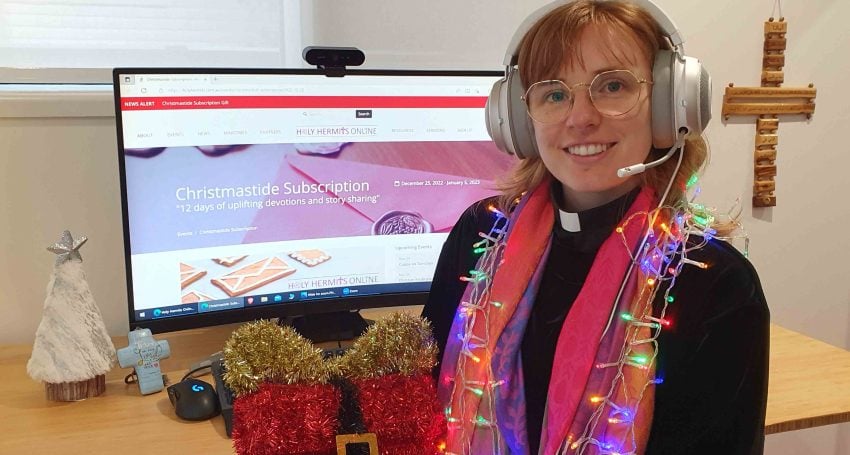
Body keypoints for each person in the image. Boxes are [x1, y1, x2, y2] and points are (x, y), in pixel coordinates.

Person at [421, 1, 769, 454]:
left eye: (612, 86)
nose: (580, 117)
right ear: (520, 119)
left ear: (669, 104)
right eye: (554, 93)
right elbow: (425, 402)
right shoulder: (479, 235)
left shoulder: (714, 282)